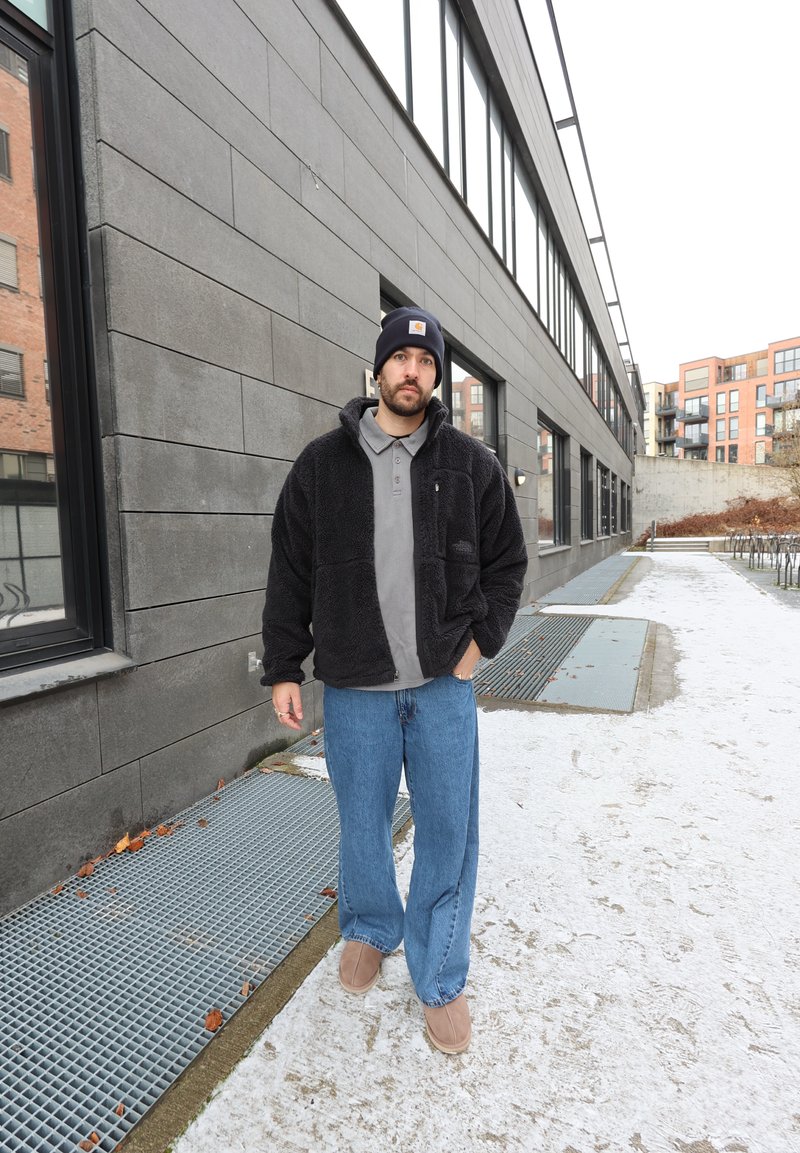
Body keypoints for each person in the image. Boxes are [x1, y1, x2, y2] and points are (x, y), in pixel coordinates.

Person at [261, 305, 527, 1053]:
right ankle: (371, 927)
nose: (412, 371)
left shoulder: (470, 464)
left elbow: (509, 562)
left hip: (443, 686)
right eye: (400, 358)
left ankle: (439, 972)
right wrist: (283, 664)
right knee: (362, 824)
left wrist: (480, 645)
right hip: (354, 686)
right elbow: (289, 569)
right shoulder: (321, 466)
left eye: (426, 361)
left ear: (436, 376)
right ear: (378, 366)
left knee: (448, 829)